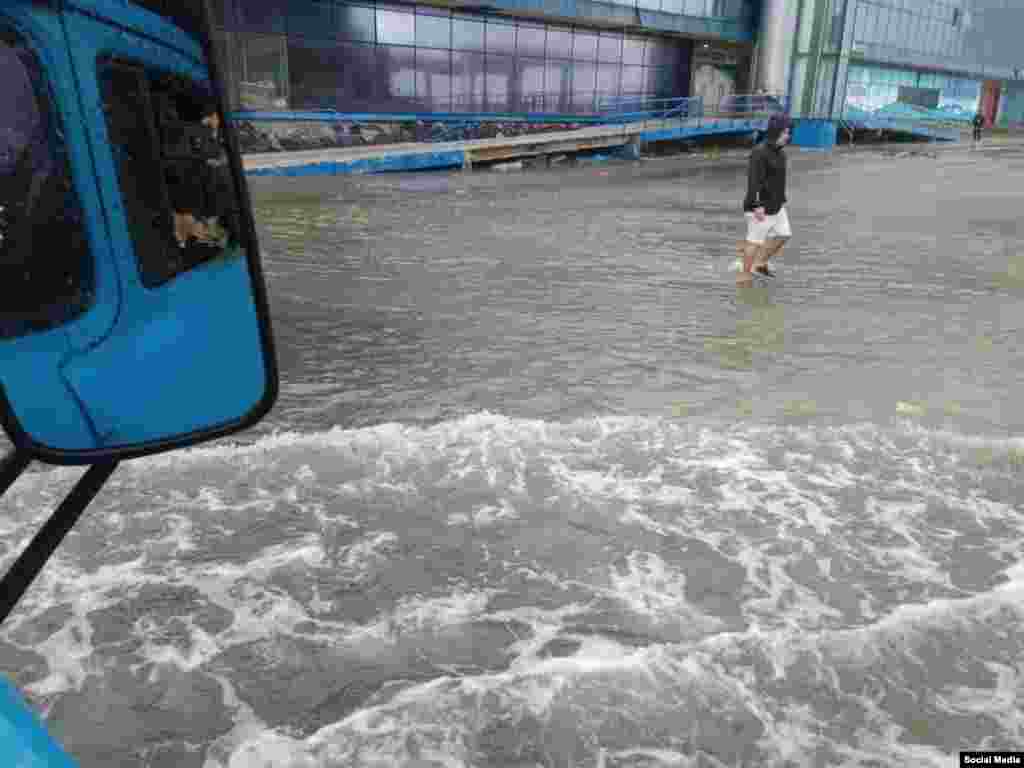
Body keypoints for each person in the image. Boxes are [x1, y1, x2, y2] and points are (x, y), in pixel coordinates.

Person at [738, 113, 792, 283]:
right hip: (760, 207)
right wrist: (757, 205)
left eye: (788, 132)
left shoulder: (781, 153)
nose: (788, 136)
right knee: (754, 242)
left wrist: (781, 200)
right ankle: (744, 276)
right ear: (776, 132)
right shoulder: (759, 152)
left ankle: (760, 263)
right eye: (785, 132)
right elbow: (754, 181)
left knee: (784, 235)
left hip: (777, 205)